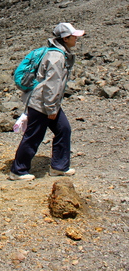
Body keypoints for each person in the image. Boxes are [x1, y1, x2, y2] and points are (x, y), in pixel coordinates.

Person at [9, 22, 85, 181]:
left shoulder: (57, 53)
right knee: (34, 136)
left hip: (47, 102)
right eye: (74, 36)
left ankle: (59, 167)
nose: (77, 39)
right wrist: (51, 109)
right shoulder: (57, 57)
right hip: (42, 103)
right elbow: (52, 85)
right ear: (66, 38)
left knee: (63, 129)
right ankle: (18, 170)